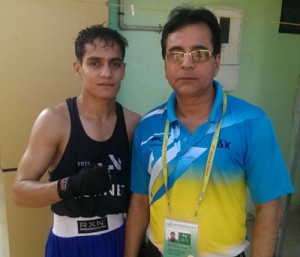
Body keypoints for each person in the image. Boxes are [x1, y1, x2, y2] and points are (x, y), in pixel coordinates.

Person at [124, 6, 294, 257]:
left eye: (200, 53)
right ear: (165, 64)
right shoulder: (148, 126)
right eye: (176, 54)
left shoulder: (251, 122)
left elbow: (269, 207)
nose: (187, 63)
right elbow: (139, 203)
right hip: (158, 251)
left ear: (216, 62)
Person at [13, 24, 140, 257]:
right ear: (77, 68)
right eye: (94, 63)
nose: (106, 73)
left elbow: (139, 197)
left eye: (114, 64)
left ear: (123, 69)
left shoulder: (133, 124)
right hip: (69, 244)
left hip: (117, 238)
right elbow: (20, 192)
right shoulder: (54, 120)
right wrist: (70, 186)